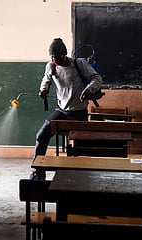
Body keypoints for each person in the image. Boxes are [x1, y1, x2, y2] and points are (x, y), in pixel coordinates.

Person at [30, 38, 103, 179]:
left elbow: (97, 79)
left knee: (82, 146)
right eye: (51, 56)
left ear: (63, 54)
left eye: (56, 56)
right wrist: (43, 90)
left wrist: (88, 90)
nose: (53, 59)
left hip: (79, 113)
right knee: (41, 136)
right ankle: (37, 172)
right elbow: (46, 80)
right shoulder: (51, 66)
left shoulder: (78, 64)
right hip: (61, 111)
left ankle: (84, 175)